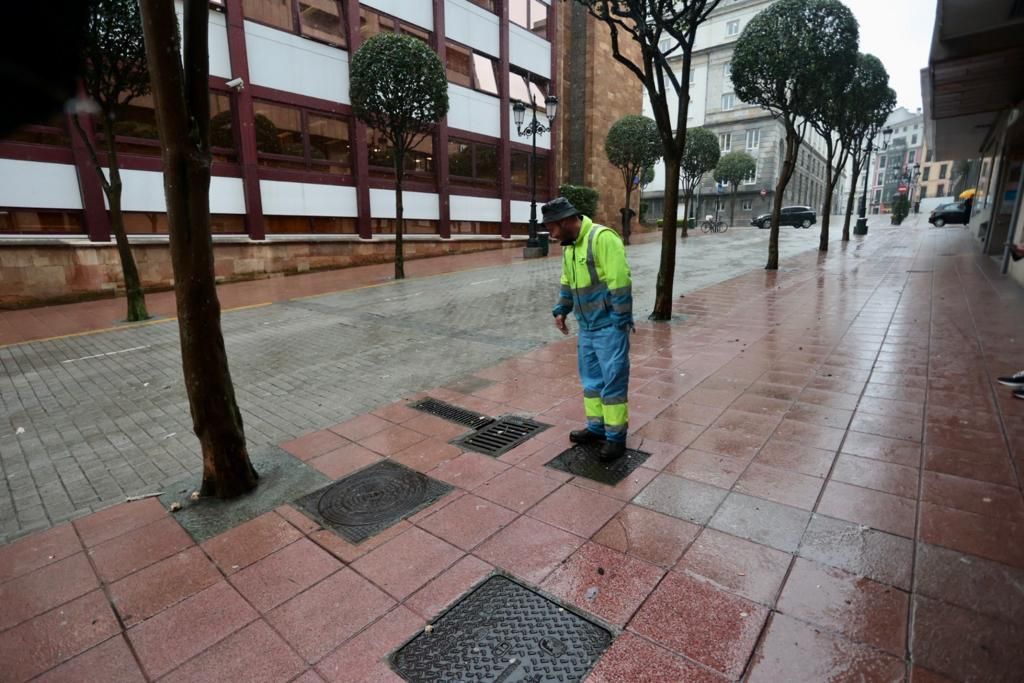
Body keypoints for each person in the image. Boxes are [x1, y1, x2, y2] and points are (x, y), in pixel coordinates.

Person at [543, 196, 634, 461]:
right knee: (592, 382)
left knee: (612, 383)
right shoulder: (569, 246)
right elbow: (567, 281)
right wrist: (561, 309)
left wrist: (620, 322)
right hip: (587, 328)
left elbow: (619, 281)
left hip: (609, 327)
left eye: (551, 228)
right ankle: (596, 428)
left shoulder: (603, 238)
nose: (550, 235)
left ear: (563, 221)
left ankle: (616, 438)